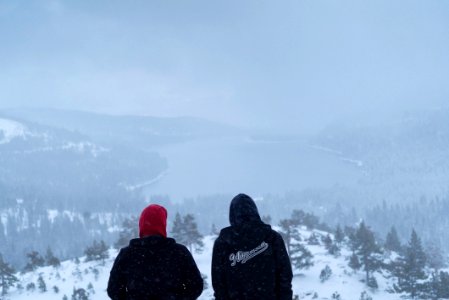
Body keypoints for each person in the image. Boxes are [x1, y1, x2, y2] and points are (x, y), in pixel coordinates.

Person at [107, 204, 203, 300]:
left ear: (141, 225)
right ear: (163, 225)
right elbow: (195, 286)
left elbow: (114, 290)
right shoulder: (179, 252)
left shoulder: (127, 254)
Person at [212, 193, 293, 300]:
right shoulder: (272, 238)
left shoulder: (223, 242)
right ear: (255, 211)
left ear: (232, 215)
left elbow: (218, 283)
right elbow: (285, 275)